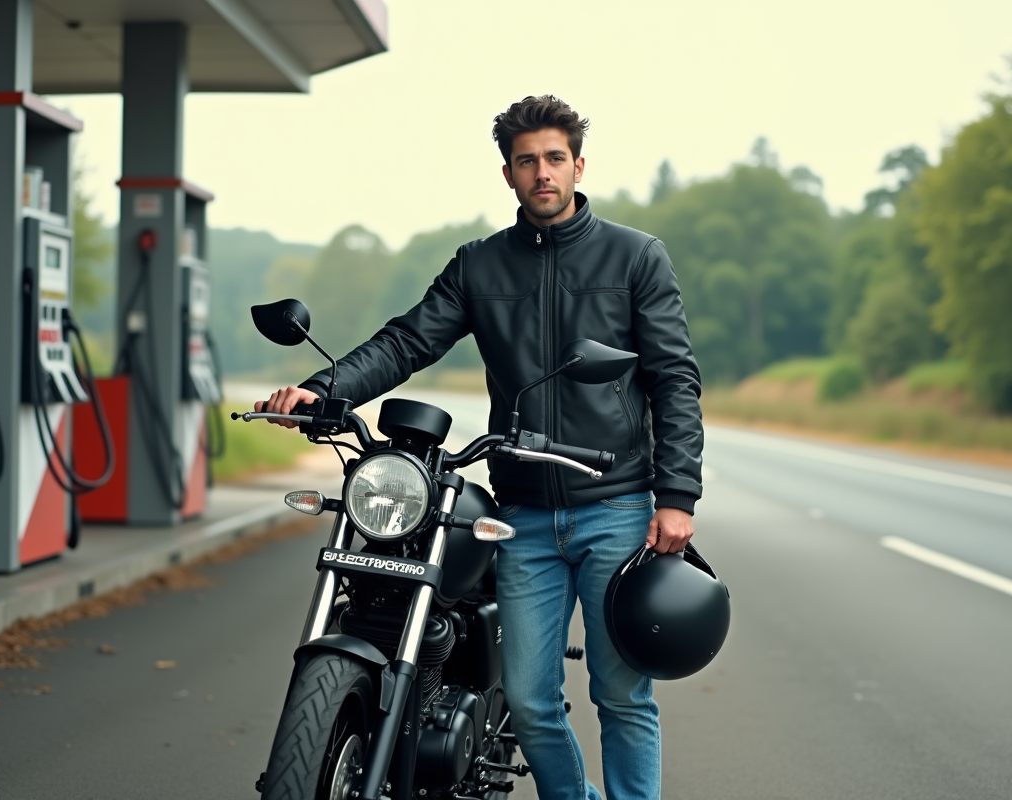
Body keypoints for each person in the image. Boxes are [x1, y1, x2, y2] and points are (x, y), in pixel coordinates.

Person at [259, 95, 703, 800]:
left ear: (578, 164)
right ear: (508, 174)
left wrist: (675, 496)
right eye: (526, 161)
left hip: (614, 504)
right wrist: (325, 387)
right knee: (528, 701)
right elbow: (408, 339)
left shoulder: (635, 257)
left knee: (621, 694)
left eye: (554, 157)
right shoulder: (481, 266)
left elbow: (674, 379)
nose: (542, 173)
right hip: (521, 513)